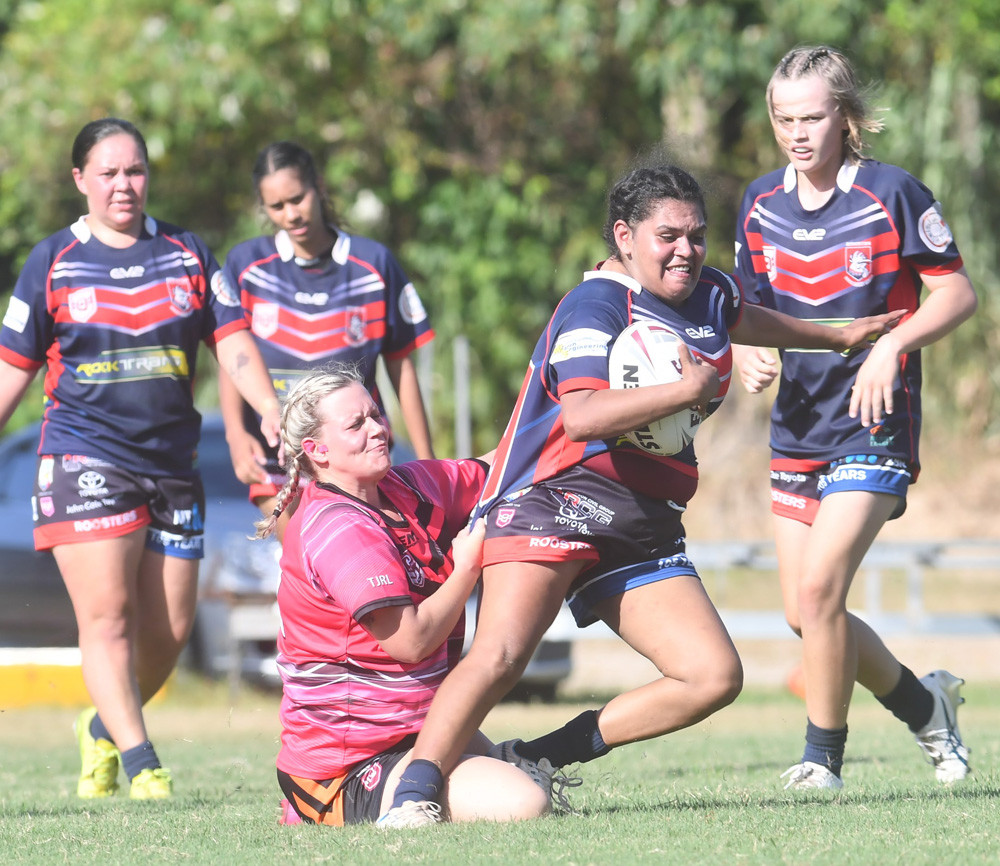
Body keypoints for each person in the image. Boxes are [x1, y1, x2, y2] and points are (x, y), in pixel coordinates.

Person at [379, 160, 903, 826]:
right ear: (625, 236)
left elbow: (748, 319)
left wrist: (835, 338)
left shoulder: (709, 291)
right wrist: (684, 392)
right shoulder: (596, 303)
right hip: (556, 496)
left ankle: (535, 758)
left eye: (696, 235)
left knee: (712, 676)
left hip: (643, 518)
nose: (685, 250)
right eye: (668, 236)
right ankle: (415, 792)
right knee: (504, 654)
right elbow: (582, 416)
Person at [0, 118, 282, 799]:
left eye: (135, 171)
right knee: (109, 618)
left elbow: (233, 341)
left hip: (173, 466)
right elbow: (11, 371)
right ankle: (140, 760)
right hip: (83, 457)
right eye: (108, 173)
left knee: (170, 632)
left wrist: (272, 409)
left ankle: (99, 729)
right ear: (80, 181)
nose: (124, 185)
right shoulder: (52, 262)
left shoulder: (188, 253)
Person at [733, 45, 978, 789]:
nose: (798, 133)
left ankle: (821, 761)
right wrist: (747, 354)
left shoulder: (892, 192)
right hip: (796, 429)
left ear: (844, 117)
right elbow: (748, 313)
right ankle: (923, 703)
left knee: (820, 592)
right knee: (808, 616)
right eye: (784, 119)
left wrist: (894, 344)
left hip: (875, 423)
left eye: (812, 117)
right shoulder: (758, 204)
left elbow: (958, 292)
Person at [257, 367, 548, 827]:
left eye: (375, 414)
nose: (378, 429)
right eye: (356, 425)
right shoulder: (337, 527)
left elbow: (498, 469)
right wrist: (467, 564)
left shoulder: (403, 486)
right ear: (316, 450)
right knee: (523, 802)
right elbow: (410, 642)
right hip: (346, 764)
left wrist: (559, 405)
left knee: (519, 783)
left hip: (414, 730)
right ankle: (314, 806)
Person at [220, 141, 435, 539]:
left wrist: (427, 464)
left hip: (354, 453)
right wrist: (236, 432)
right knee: (312, 556)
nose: (291, 214)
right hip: (277, 456)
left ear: (318, 186)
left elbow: (401, 366)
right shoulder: (246, 267)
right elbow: (232, 354)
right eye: (276, 206)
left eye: (298, 198)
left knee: (356, 565)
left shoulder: (373, 266)